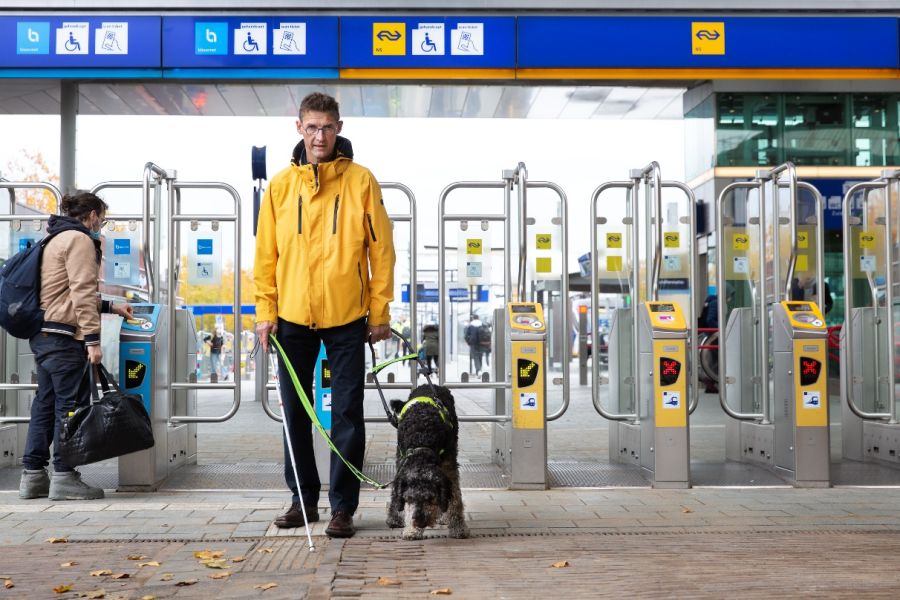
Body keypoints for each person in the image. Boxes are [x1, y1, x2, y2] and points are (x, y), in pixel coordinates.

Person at [255, 92, 395, 539]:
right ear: (299, 128)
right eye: (312, 127)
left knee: (347, 414)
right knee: (296, 412)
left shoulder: (361, 182)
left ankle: (343, 508)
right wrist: (265, 311)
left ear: (339, 128)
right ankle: (302, 500)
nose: (320, 136)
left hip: (348, 318)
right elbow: (264, 257)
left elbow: (382, 252)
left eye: (327, 127)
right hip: (292, 318)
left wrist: (379, 311)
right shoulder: (279, 186)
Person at [19, 192, 133, 501]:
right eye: (103, 220)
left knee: (45, 403)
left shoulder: (54, 238)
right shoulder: (80, 240)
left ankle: (33, 476)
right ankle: (65, 476)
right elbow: (82, 291)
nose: (101, 226)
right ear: (93, 215)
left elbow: (62, 291)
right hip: (65, 336)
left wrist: (110, 306)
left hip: (44, 333)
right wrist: (93, 341)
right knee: (70, 406)